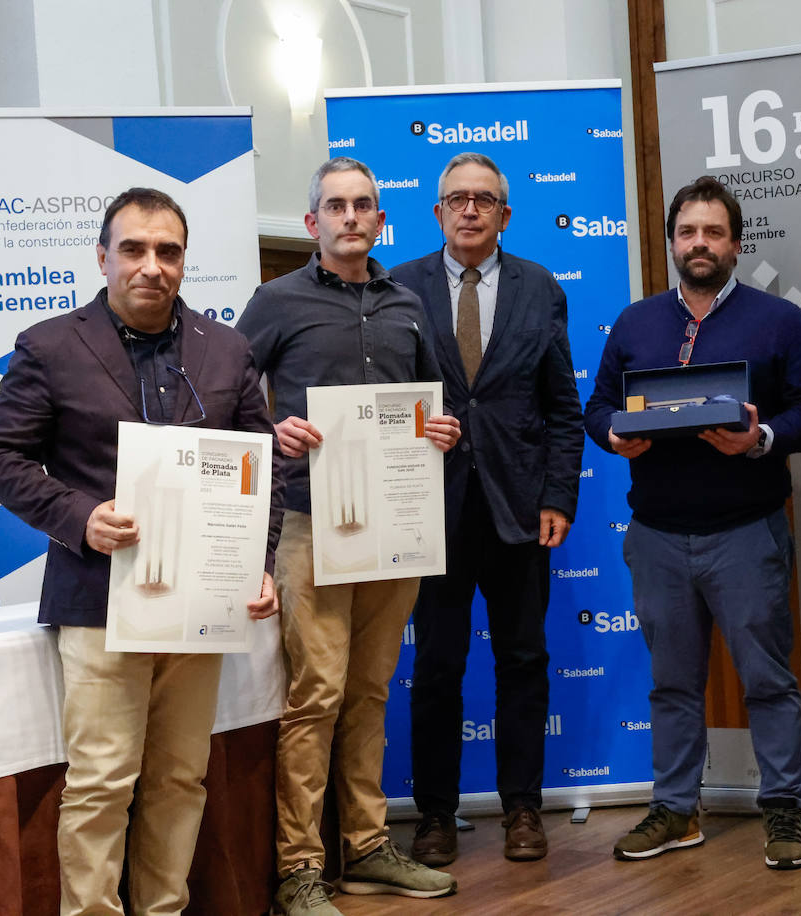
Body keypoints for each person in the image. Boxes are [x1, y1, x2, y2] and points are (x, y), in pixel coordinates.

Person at [0, 187, 283, 915]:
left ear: (184, 261)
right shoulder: (49, 346)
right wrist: (79, 516)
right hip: (98, 598)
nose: (152, 266)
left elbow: (262, 470)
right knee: (103, 779)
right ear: (103, 256)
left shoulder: (228, 348)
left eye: (168, 251)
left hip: (198, 603)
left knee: (181, 777)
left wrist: (258, 561)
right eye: (135, 249)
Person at [235, 157, 462, 916]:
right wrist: (272, 430)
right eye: (336, 207)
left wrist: (441, 430)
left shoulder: (406, 304)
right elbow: (227, 408)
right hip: (309, 524)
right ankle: (300, 865)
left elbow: (434, 407)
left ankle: (366, 849)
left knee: (368, 691)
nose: (352, 217)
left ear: (379, 219)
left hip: (394, 527)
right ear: (313, 224)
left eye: (365, 205)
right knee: (317, 695)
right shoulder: (275, 301)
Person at [584, 176, 801, 870]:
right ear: (671, 243)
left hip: (748, 531)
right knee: (673, 685)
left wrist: (763, 438)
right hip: (655, 535)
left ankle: (783, 809)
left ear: (736, 244)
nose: (700, 243)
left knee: (769, 681)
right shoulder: (635, 323)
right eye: (688, 232)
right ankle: (676, 809)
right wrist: (613, 437)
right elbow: (597, 406)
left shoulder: (780, 321)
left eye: (713, 232)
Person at [390, 152, 584, 866]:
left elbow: (563, 408)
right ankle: (435, 815)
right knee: (437, 667)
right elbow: (380, 403)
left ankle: (523, 810)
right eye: (455, 199)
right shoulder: (400, 286)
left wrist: (560, 496)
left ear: (506, 214)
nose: (469, 209)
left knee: (524, 663)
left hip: (520, 508)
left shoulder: (540, 287)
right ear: (436, 211)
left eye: (484, 199)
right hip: (429, 510)